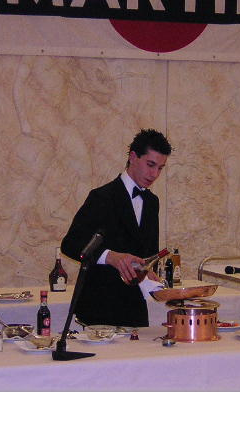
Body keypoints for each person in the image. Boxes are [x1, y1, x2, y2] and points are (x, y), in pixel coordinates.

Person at [61, 128, 172, 328]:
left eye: (160, 168)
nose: (154, 174)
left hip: (135, 312)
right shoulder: (102, 197)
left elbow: (147, 254)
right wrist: (111, 256)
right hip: (100, 310)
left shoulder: (152, 202)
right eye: (150, 165)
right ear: (133, 157)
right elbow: (70, 244)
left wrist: (148, 274)